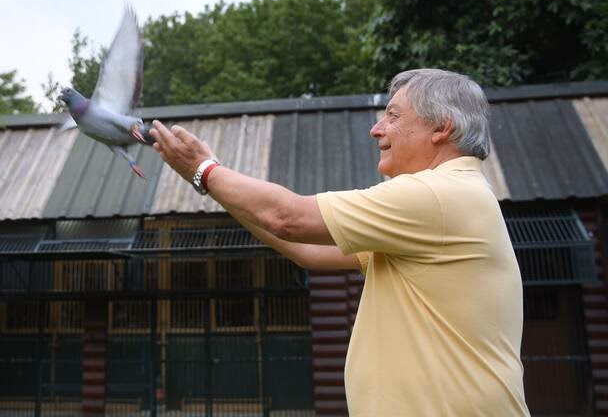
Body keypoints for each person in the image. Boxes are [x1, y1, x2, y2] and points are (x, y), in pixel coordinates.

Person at [149, 68, 529, 416]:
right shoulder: (443, 202)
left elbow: (288, 218)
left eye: (393, 116)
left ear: (441, 127)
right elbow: (307, 250)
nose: (376, 129)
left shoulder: (438, 195)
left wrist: (205, 171)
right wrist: (214, 183)